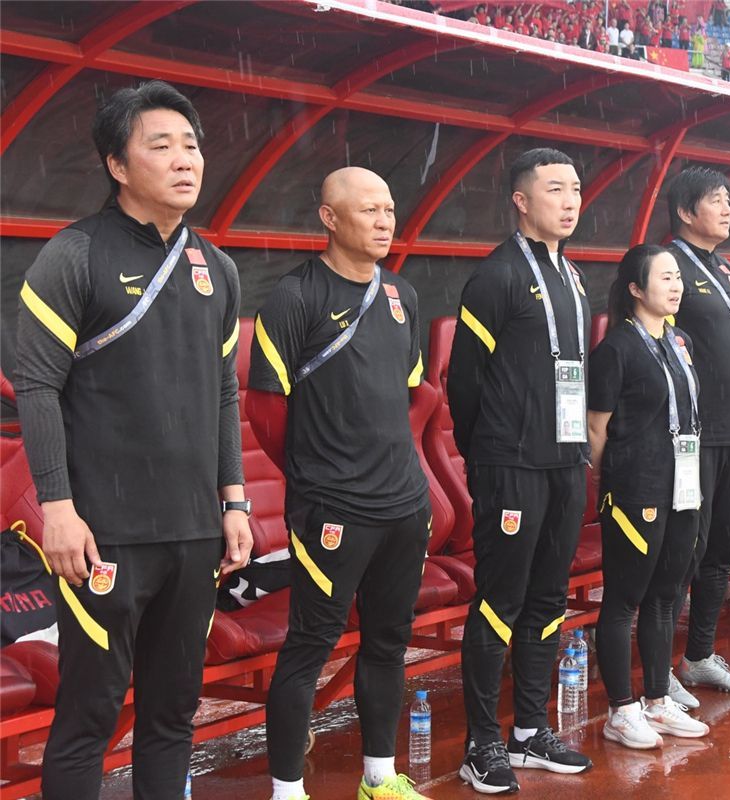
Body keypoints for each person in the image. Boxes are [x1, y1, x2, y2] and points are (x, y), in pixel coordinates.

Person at [14, 80, 251, 799]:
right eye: (161, 146)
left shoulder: (219, 268)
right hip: (105, 534)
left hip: (194, 533)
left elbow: (223, 392)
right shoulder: (74, 253)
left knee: (172, 714)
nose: (185, 160)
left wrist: (234, 502)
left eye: (191, 145)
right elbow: (36, 385)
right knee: (88, 717)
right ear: (117, 165)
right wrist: (58, 508)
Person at [247, 167, 432, 800]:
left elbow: (409, 395)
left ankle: (379, 777)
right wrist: (318, 471)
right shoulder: (294, 296)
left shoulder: (402, 294)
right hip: (333, 507)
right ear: (329, 218)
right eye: (369, 210)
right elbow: (265, 411)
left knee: (388, 641)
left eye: (390, 210)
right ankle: (287, 791)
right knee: (311, 644)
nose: (385, 222)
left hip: (404, 505)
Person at [448, 148, 593, 794]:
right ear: (521, 200)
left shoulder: (574, 276)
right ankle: (480, 743)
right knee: (499, 601)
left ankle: (530, 730)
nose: (570, 201)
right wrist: (487, 455)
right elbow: (465, 381)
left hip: (565, 462)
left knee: (548, 598)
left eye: (575, 189)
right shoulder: (497, 276)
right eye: (555, 188)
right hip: (510, 465)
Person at [588, 245, 710, 750]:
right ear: (636, 289)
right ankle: (621, 710)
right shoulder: (616, 348)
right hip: (636, 487)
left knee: (666, 593)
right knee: (624, 599)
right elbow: (595, 429)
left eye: (678, 277)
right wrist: (607, 484)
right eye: (665, 277)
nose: (676, 286)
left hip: (682, 485)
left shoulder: (679, 341)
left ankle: (658, 699)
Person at [662, 167, 730, 706]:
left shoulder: (725, 269)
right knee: (684, 551)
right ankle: (658, 672)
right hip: (691, 436)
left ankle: (699, 655)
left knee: (722, 548)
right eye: (716, 201)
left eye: (729, 200)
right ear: (686, 211)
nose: (728, 210)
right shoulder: (668, 266)